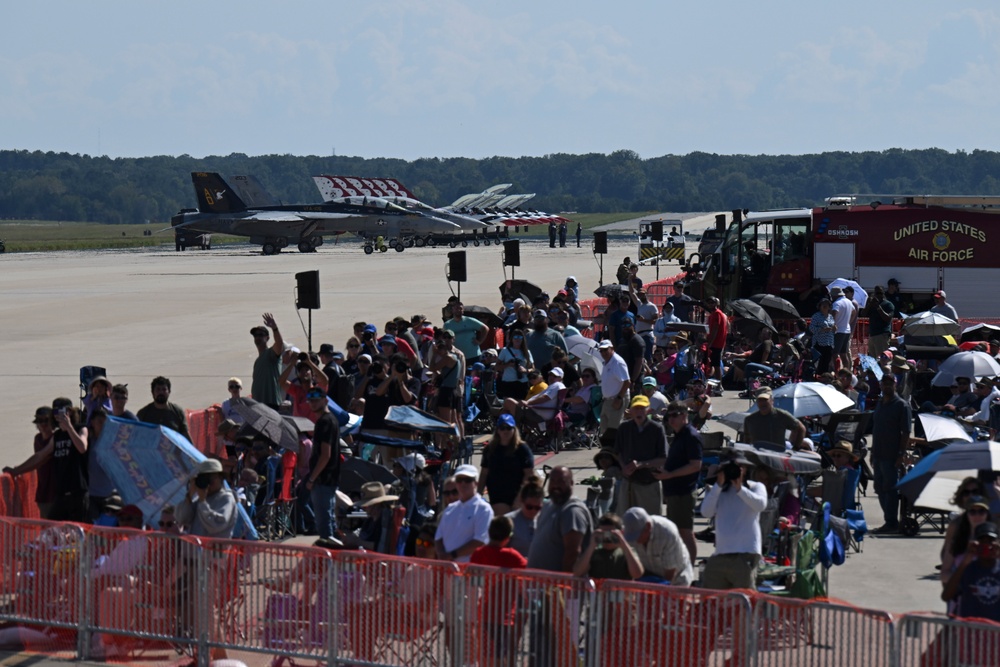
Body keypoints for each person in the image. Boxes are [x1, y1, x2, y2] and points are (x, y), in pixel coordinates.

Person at [6, 397, 89, 522]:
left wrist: (69, 427)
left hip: (78, 492)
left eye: (62, 411)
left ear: (70, 412)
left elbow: (82, 447)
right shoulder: (57, 436)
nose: (58, 416)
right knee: (51, 529)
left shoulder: (81, 429)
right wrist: (16, 471)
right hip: (61, 494)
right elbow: (40, 456)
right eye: (55, 412)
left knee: (78, 532)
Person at [700, 450, 769, 590]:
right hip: (721, 553)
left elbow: (761, 505)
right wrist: (718, 485)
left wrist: (740, 489)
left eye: (739, 466)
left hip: (746, 554)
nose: (735, 470)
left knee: (743, 601)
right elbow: (705, 512)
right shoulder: (719, 491)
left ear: (745, 469)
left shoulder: (756, 487)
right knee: (712, 598)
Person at [655, 401, 703, 563]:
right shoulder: (679, 435)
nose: (671, 419)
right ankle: (681, 564)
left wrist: (670, 475)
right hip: (675, 491)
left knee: (685, 532)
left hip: (684, 491)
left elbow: (696, 465)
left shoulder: (690, 435)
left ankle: (688, 567)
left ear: (685, 415)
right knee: (677, 531)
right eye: (669, 415)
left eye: (675, 415)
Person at [871, 374, 911, 534]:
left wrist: (901, 454)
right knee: (879, 487)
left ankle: (891, 522)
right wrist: (873, 451)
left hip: (892, 454)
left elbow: (906, 431)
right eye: (884, 383)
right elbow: (876, 429)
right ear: (880, 385)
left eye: (890, 383)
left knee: (890, 488)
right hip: (878, 453)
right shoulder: (880, 403)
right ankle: (889, 520)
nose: (887, 386)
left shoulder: (902, 405)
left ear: (895, 385)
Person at [614, 395, 667, 517]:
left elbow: (663, 458)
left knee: (650, 523)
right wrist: (623, 467)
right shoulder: (624, 428)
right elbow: (617, 452)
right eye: (636, 408)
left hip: (649, 483)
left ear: (648, 410)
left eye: (642, 408)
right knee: (626, 522)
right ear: (630, 411)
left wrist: (641, 464)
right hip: (628, 483)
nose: (639, 412)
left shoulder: (657, 429)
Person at [435, 464, 493, 563]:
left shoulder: (484, 509)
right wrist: (442, 556)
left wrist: (451, 555)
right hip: (448, 570)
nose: (463, 483)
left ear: (476, 483)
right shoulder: (450, 509)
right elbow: (438, 537)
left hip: (471, 571)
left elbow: (480, 541)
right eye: (459, 480)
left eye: (467, 480)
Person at [942, 521, 1000, 622]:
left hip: (996, 633)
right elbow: (946, 596)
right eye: (982, 541)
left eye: (990, 541)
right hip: (971, 631)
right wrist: (965, 561)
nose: (986, 545)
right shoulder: (967, 569)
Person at [621, 507, 694, 586]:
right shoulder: (628, 531)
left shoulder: (667, 532)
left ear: (648, 527)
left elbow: (670, 571)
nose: (635, 540)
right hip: (647, 577)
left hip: (676, 577)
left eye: (637, 535)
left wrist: (660, 590)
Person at [479, 414, 535, 515]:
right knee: (502, 520)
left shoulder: (522, 449)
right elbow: (484, 473)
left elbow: (529, 474)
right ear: (497, 430)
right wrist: (477, 496)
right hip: (497, 495)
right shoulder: (490, 449)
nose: (505, 431)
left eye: (509, 428)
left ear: (514, 429)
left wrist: (519, 498)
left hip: (517, 492)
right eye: (502, 428)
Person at [306, 386, 341, 543]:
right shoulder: (329, 420)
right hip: (328, 478)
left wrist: (312, 478)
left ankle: (328, 559)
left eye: (316, 400)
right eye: (311, 401)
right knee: (329, 520)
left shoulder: (325, 422)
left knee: (324, 524)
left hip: (323, 479)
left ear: (325, 400)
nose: (312, 403)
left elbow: (325, 455)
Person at [175, 459, 237, 539]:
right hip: (194, 550)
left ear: (220, 477)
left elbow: (216, 525)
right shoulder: (199, 498)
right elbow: (182, 519)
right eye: (204, 477)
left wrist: (202, 502)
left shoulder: (226, 498)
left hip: (214, 550)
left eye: (211, 478)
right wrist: (189, 496)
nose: (208, 482)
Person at [573, 512, 644, 580]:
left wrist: (623, 543)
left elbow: (637, 574)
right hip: (598, 592)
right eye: (603, 533)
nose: (607, 537)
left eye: (610, 533)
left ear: (621, 532)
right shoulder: (594, 553)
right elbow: (577, 573)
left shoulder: (627, 552)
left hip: (620, 591)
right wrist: (592, 545)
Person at [743, 387, 807, 451]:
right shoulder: (750, 419)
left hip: (777, 456)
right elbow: (746, 440)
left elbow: (801, 428)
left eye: (765, 400)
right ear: (756, 402)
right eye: (760, 400)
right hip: (758, 457)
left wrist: (795, 448)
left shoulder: (782, 415)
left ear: (772, 400)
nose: (762, 403)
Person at [136, 376, 190, 441]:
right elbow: (137, 436)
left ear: (169, 391)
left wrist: (193, 450)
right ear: (152, 392)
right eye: (158, 389)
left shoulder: (177, 411)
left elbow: (185, 436)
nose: (161, 392)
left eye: (164, 389)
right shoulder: (143, 413)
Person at [251, 313, 285, 410]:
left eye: (261, 335)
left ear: (267, 338)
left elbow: (279, 344)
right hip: (258, 405)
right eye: (255, 335)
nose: (257, 337)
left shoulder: (271, 353)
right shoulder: (258, 360)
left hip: (271, 404)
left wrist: (274, 328)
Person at [598, 339, 631, 437]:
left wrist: (619, 399)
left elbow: (627, 382)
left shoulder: (617, 362)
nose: (603, 353)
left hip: (616, 399)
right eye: (601, 351)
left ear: (612, 349)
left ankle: (616, 451)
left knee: (613, 430)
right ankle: (608, 450)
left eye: (605, 350)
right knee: (604, 429)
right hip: (607, 400)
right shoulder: (607, 362)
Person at [505, 478, 545, 558]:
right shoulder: (508, 521)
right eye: (529, 507)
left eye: (537, 508)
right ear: (521, 501)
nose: (533, 511)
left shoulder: (545, 521)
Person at [496, 329, 533, 400]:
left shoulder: (527, 352)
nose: (517, 340)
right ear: (512, 339)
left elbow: (533, 368)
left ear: (523, 339)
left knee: (520, 405)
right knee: (508, 404)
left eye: (520, 338)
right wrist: (508, 364)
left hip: (522, 382)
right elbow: (497, 367)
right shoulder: (505, 351)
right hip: (508, 382)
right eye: (515, 337)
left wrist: (525, 370)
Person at [865, 286, 895, 358]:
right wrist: (869, 304)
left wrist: (879, 307)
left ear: (883, 293)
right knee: (873, 359)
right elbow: (863, 314)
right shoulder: (872, 305)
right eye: (877, 293)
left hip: (882, 334)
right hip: (872, 335)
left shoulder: (888, 304)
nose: (878, 295)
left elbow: (888, 318)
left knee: (882, 358)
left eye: (880, 293)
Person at [829, 287, 854, 372]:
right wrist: (848, 322)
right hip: (846, 330)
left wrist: (833, 324)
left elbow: (834, 312)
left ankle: (837, 371)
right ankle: (847, 371)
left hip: (838, 331)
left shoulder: (837, 303)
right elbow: (854, 312)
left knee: (835, 353)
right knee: (843, 353)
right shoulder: (849, 302)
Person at [809, 298, 836, 375]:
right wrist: (822, 329)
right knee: (819, 362)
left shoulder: (830, 317)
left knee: (827, 361)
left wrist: (834, 328)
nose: (825, 306)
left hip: (829, 342)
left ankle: (825, 377)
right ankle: (818, 376)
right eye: (823, 305)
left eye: (827, 305)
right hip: (819, 343)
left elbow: (833, 327)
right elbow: (811, 328)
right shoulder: (816, 316)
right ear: (819, 306)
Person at [704, 297, 728, 379]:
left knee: (716, 365)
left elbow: (715, 329)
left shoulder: (717, 314)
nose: (710, 304)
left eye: (712, 302)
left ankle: (719, 385)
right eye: (709, 303)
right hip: (716, 343)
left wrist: (710, 343)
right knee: (712, 364)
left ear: (716, 304)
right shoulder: (714, 314)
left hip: (716, 344)